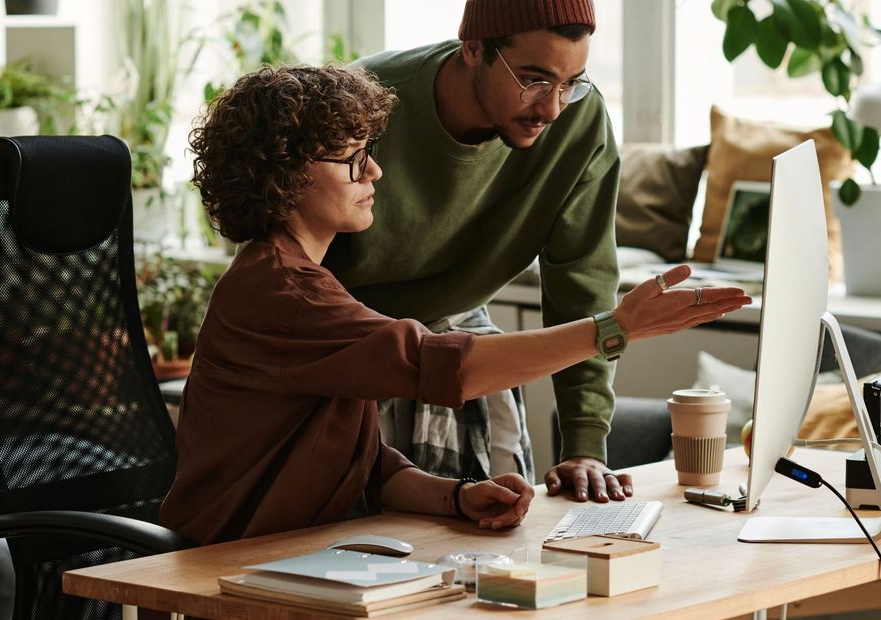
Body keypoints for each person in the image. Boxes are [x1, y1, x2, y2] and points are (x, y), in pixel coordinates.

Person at [160, 65, 749, 552]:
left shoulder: (302, 277)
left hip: (294, 562)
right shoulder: (282, 293)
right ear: (283, 178)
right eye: (353, 159)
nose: (375, 171)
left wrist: (456, 495)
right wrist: (613, 329)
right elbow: (448, 367)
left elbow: (363, 467)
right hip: (230, 581)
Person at [324, 0, 633, 502]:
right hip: (342, 354)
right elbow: (284, 275)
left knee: (503, 540)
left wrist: (585, 445)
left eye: (570, 82)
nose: (552, 108)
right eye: (534, 79)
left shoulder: (578, 120)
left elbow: (584, 285)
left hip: (460, 338)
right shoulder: (364, 105)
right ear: (473, 49)